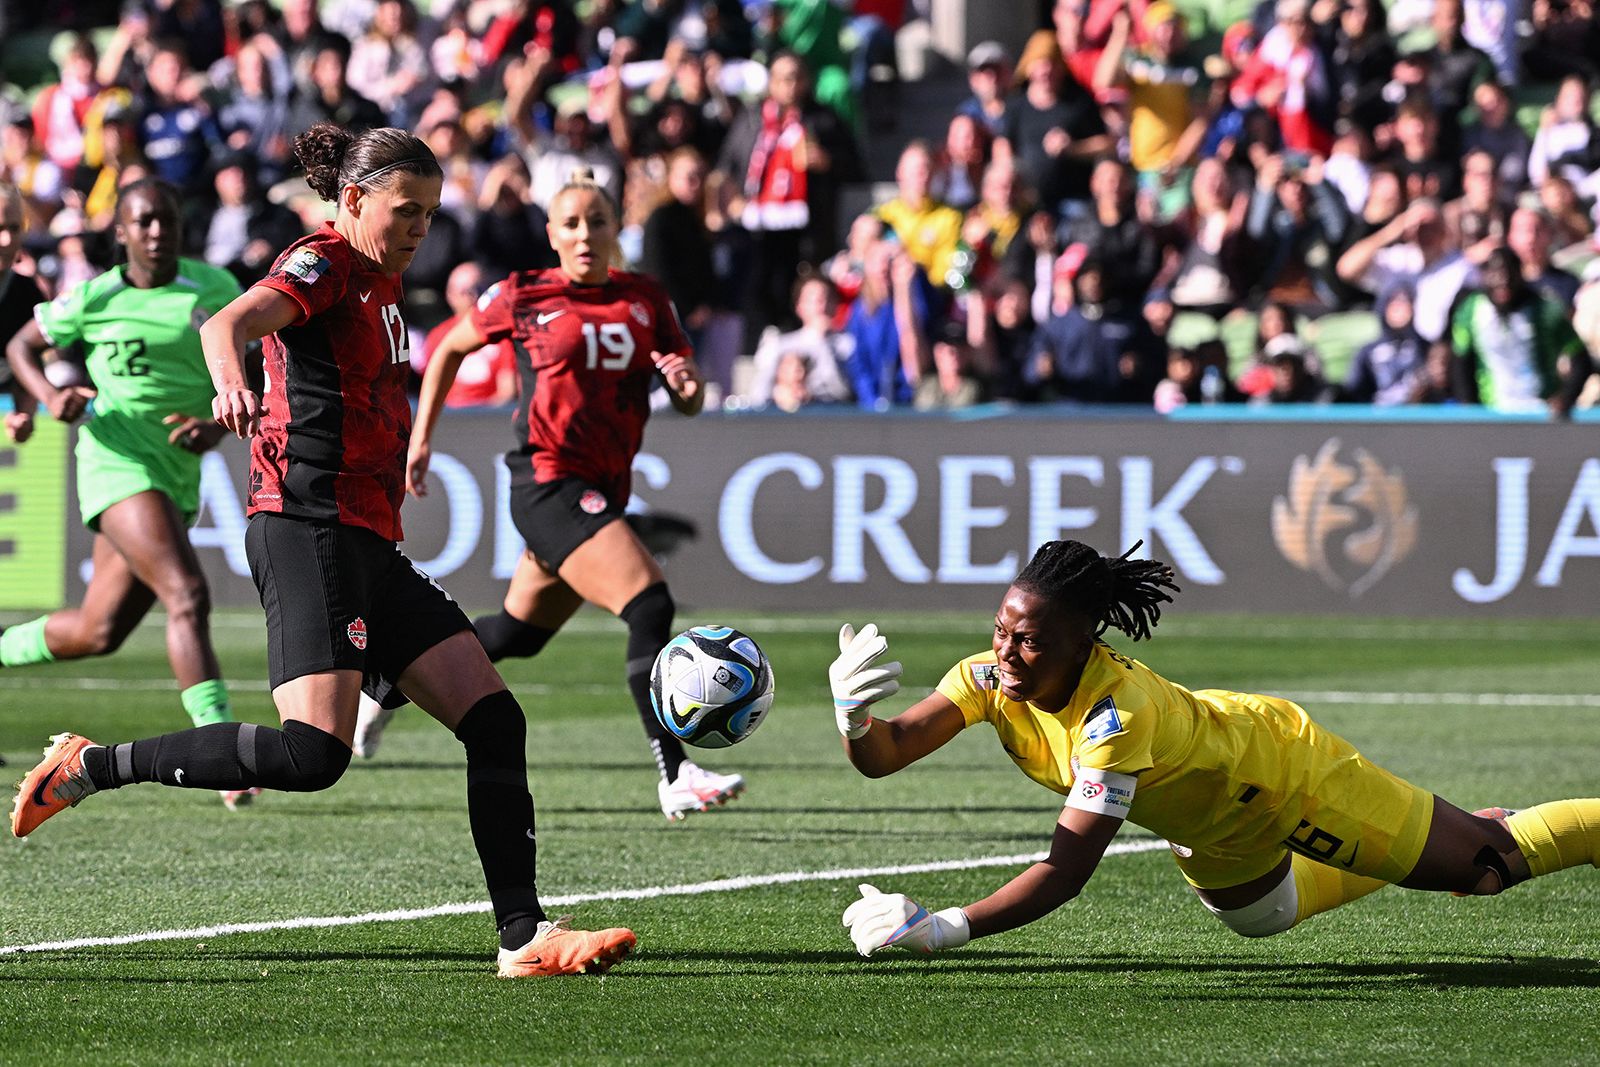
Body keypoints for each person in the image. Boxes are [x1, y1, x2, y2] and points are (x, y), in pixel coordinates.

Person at [9, 126, 636, 979]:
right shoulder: (327, 260)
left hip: (367, 538)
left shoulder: (380, 277)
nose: (419, 226)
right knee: (313, 756)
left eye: (429, 212)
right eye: (403, 210)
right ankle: (90, 766)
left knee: (496, 718)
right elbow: (230, 322)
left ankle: (523, 937)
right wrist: (232, 380)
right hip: (308, 529)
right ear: (352, 201)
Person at [830, 539, 1600, 958]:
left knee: (1488, 867)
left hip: (1281, 775)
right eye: (1002, 629)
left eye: (1030, 641)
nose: (1006, 653)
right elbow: (889, 750)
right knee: (1264, 917)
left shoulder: (1115, 717)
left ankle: (1500, 833)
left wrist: (948, 926)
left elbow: (1064, 873)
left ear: (1083, 643)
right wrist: (855, 718)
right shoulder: (987, 678)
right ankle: (1430, 835)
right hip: (1212, 823)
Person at [390, 166, 746, 824]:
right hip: (546, 481)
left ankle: (384, 687)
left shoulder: (644, 298)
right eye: (572, 223)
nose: (586, 234)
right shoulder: (524, 293)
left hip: (601, 487)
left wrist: (686, 382)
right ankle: (676, 772)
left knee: (516, 634)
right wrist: (420, 437)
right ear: (552, 234)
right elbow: (446, 351)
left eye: (598, 221)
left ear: (616, 231)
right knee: (649, 601)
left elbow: (688, 399)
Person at [3, 177, 252, 811]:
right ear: (121, 232)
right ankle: (220, 754)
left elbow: (253, 369)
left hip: (176, 470)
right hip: (115, 460)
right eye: (143, 222)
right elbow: (22, 344)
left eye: (165, 220)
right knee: (187, 594)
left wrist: (216, 423)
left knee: (97, 631)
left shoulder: (215, 289)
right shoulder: (94, 296)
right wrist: (54, 394)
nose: (156, 231)